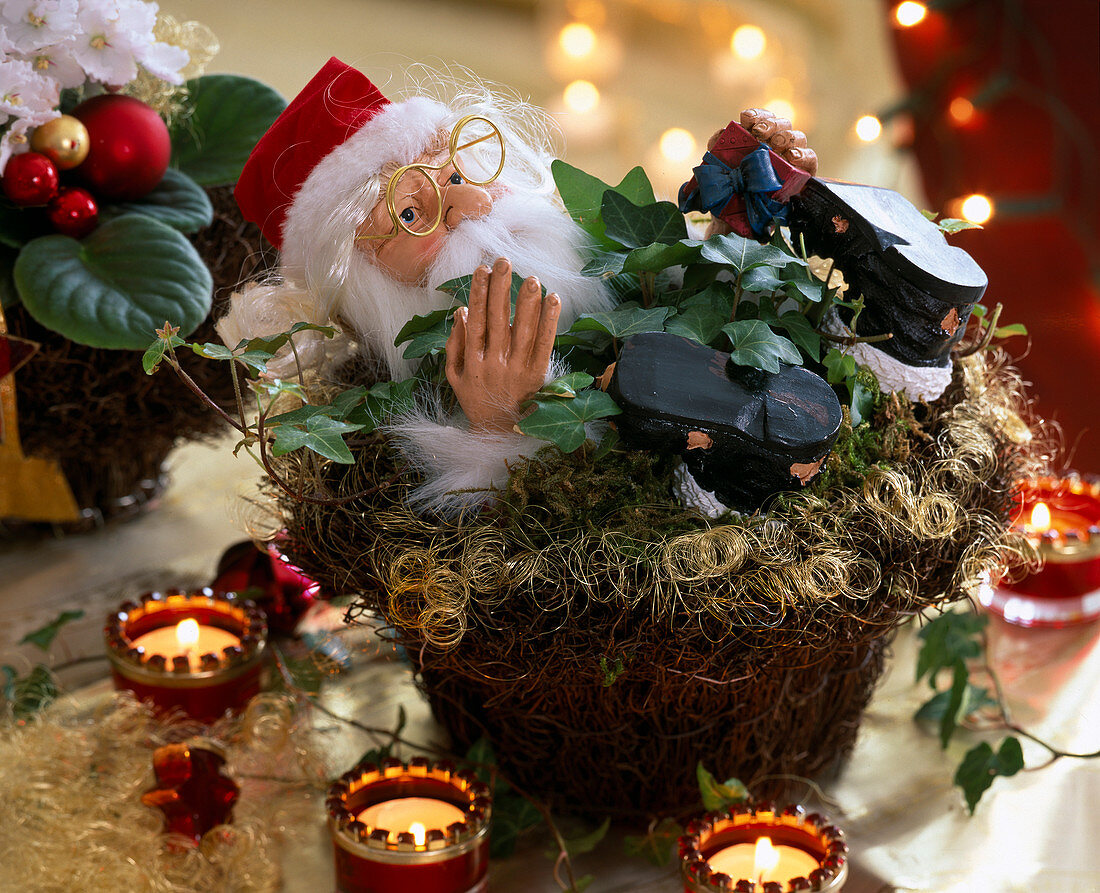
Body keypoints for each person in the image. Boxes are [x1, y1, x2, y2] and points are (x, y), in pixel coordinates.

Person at [219, 58, 613, 516]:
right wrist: (504, 428)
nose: (475, 204)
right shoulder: (366, 434)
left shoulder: (627, 269)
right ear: (363, 290)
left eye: (456, 177)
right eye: (409, 214)